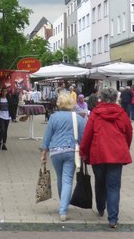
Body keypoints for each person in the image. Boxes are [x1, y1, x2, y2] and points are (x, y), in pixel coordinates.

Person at [80, 87, 132, 229]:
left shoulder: (96, 113)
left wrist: (83, 151)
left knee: (100, 181)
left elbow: (87, 134)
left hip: (99, 152)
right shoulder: (122, 114)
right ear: (115, 98)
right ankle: (113, 218)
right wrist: (125, 147)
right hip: (117, 153)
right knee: (114, 186)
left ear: (101, 98)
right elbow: (129, 132)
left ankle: (101, 207)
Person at [40, 91, 86, 222]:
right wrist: (84, 152)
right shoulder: (78, 118)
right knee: (67, 179)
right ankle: (63, 209)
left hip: (55, 151)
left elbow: (47, 136)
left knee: (60, 178)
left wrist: (44, 151)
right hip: (71, 151)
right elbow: (83, 138)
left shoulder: (54, 117)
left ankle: (63, 202)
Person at [0, 83, 18, 150]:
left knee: (5, 130)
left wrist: (13, 117)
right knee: (2, 129)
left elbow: (11, 108)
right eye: (3, 91)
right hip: (0, 115)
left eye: (6, 91)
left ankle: (4, 144)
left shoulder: (9, 98)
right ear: (1, 92)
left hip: (7, 116)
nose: (4, 93)